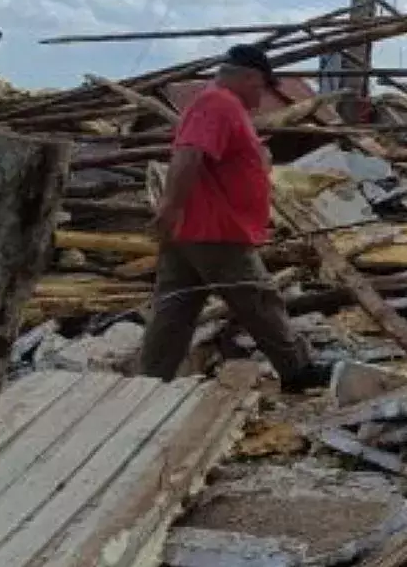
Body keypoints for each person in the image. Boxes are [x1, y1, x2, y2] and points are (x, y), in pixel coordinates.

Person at [138, 44, 330, 392]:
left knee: (175, 309)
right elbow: (189, 155)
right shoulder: (218, 104)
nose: (261, 94)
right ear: (248, 76)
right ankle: (296, 369)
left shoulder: (221, 105)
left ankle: (149, 381)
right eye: (260, 86)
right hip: (216, 230)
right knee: (258, 299)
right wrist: (170, 207)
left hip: (195, 229)